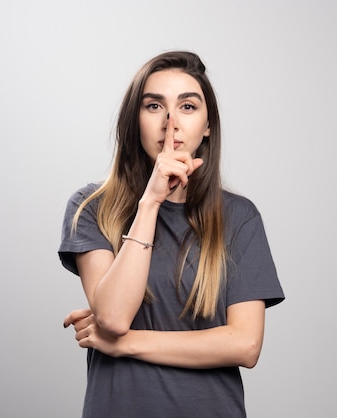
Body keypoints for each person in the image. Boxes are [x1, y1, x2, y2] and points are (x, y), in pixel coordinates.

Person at [59, 50, 285, 417]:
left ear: (207, 125)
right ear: (135, 120)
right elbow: (113, 316)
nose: (171, 122)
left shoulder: (239, 218)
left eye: (188, 107)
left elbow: (244, 344)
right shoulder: (92, 207)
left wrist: (125, 344)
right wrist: (150, 202)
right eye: (153, 106)